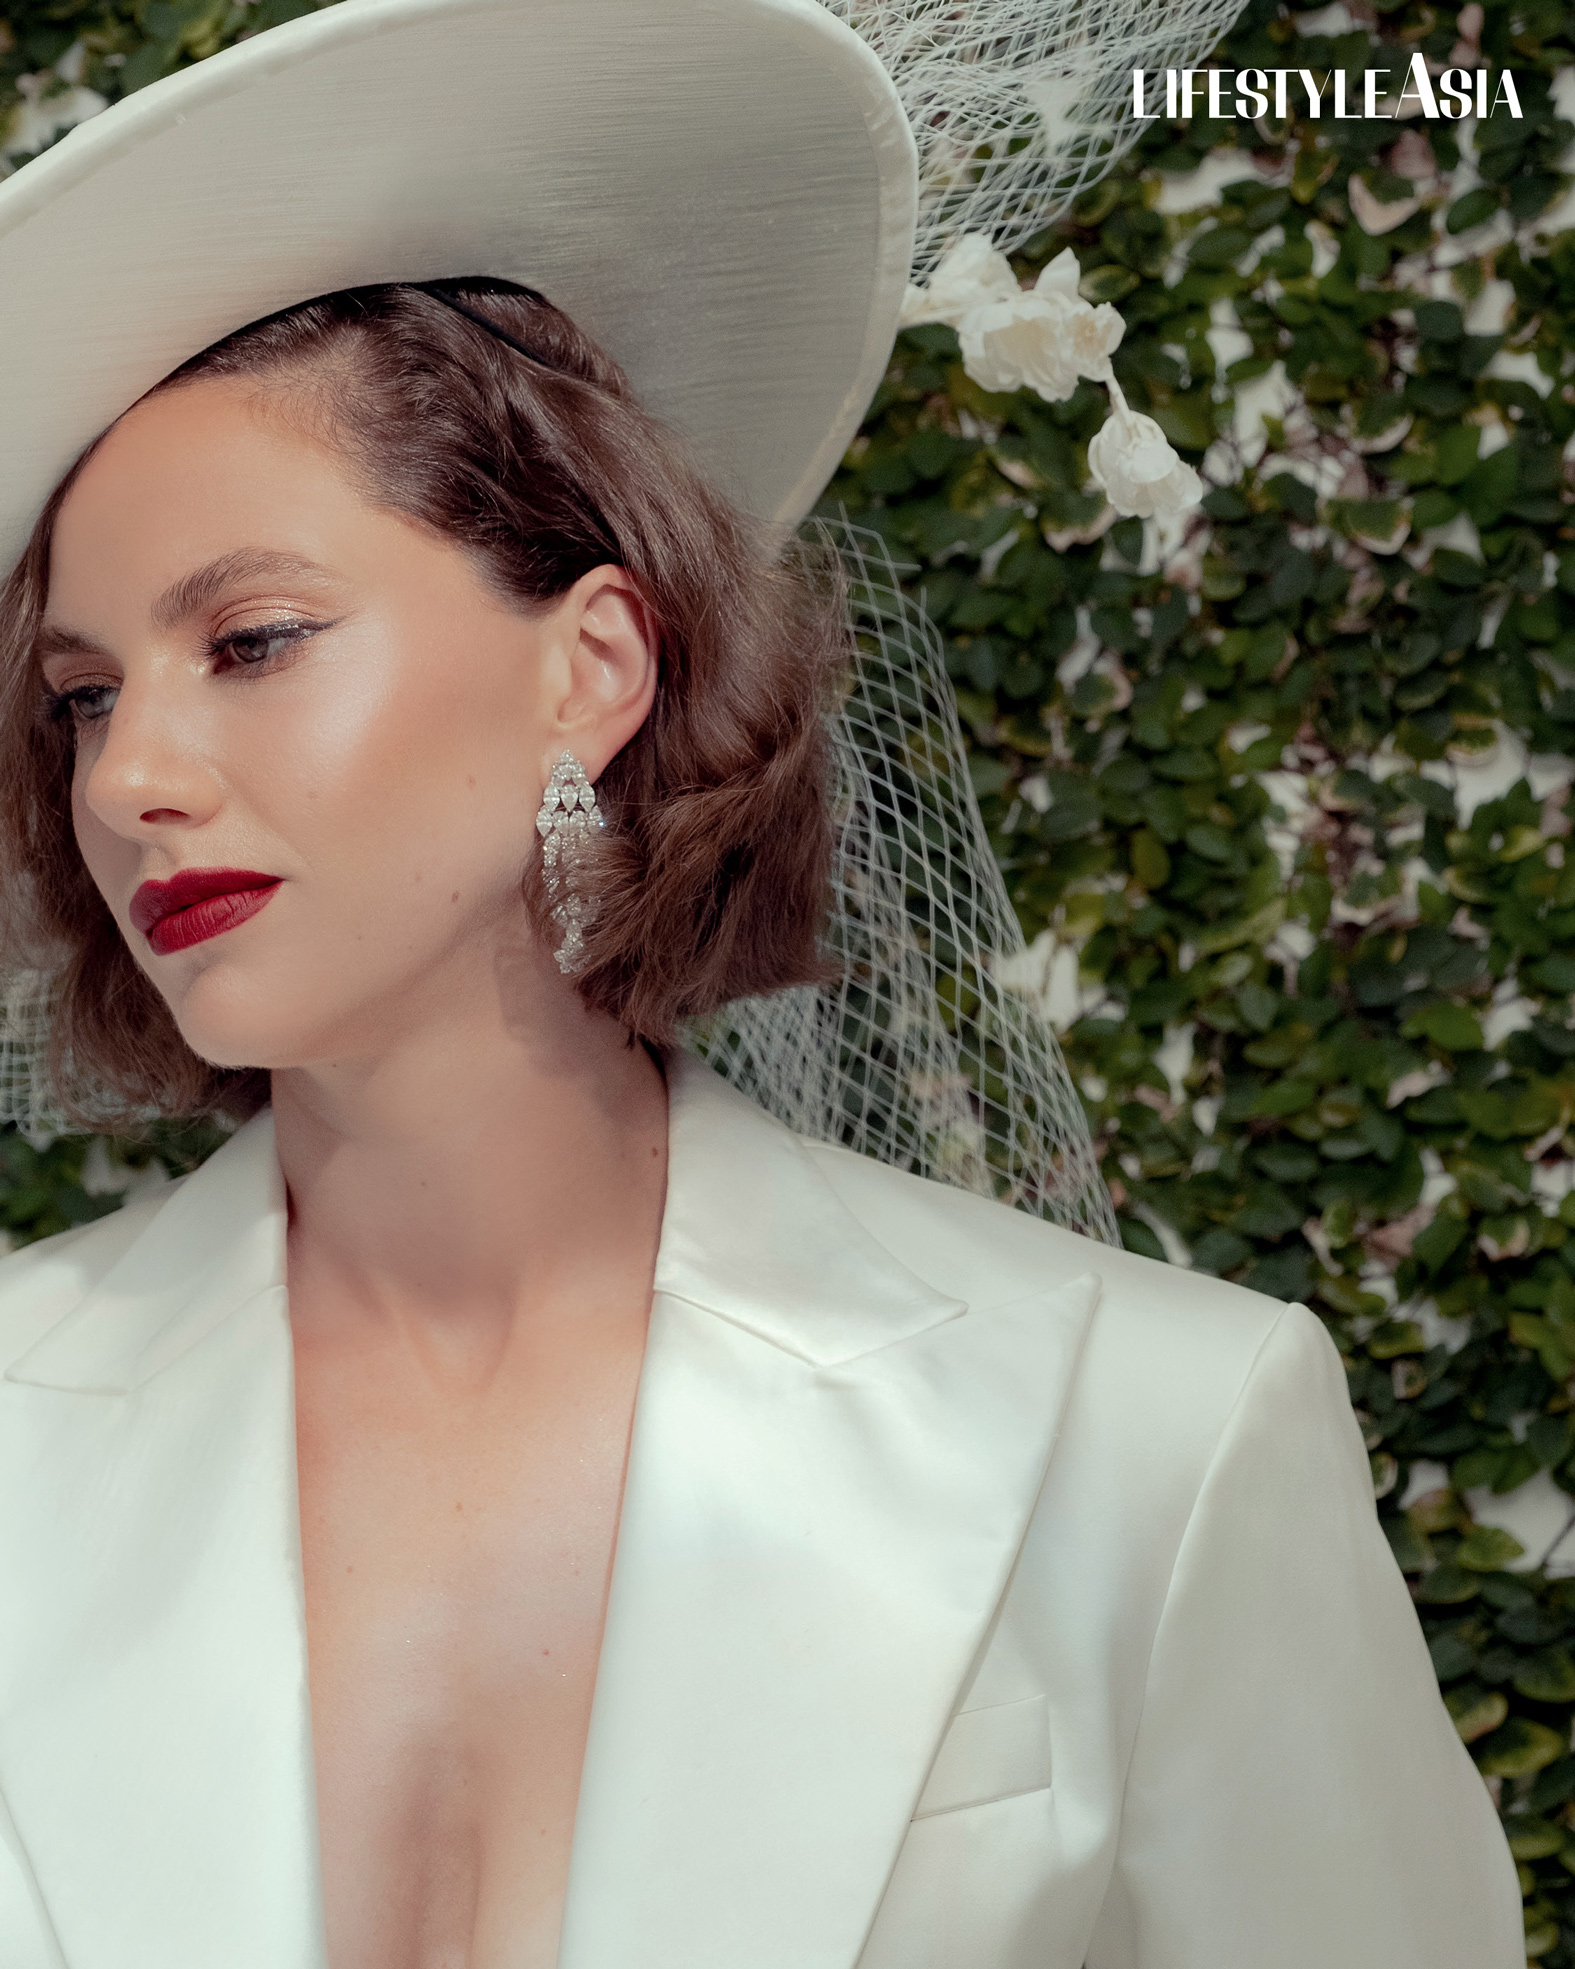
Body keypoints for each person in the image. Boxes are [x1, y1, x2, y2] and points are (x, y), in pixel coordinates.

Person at [0, 2, 1523, 1966]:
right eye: (85, 696)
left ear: (593, 665)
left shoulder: (1147, 1431)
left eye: (259, 639)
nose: (130, 775)